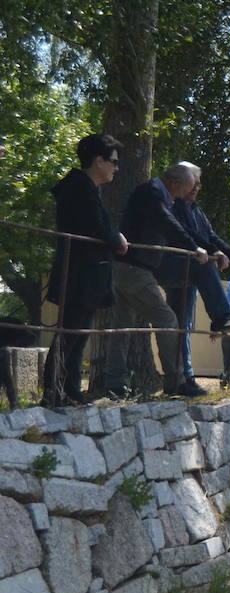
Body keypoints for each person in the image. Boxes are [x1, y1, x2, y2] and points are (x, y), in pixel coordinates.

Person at [107, 161, 211, 397]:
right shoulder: (153, 193)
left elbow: (171, 225)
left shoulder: (157, 195)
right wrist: (194, 247)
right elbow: (169, 224)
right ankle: (176, 382)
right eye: (187, 187)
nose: (187, 193)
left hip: (127, 268)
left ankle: (115, 383)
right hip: (135, 269)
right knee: (168, 320)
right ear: (175, 183)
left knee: (121, 327)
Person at [42, 134, 128, 405]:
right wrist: (116, 239)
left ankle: (68, 391)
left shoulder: (85, 187)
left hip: (85, 273)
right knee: (71, 334)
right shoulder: (79, 187)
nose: (116, 167)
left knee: (77, 335)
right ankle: (55, 392)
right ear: (98, 160)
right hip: (79, 273)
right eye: (113, 162)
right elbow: (94, 225)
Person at [159, 166, 230, 395]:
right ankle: (219, 319)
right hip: (177, 267)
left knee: (182, 326)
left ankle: (183, 377)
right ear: (182, 183)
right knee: (179, 325)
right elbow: (189, 236)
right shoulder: (175, 205)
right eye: (193, 183)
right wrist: (212, 251)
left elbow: (209, 236)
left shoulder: (196, 210)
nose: (196, 188)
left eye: (198, 183)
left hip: (190, 272)